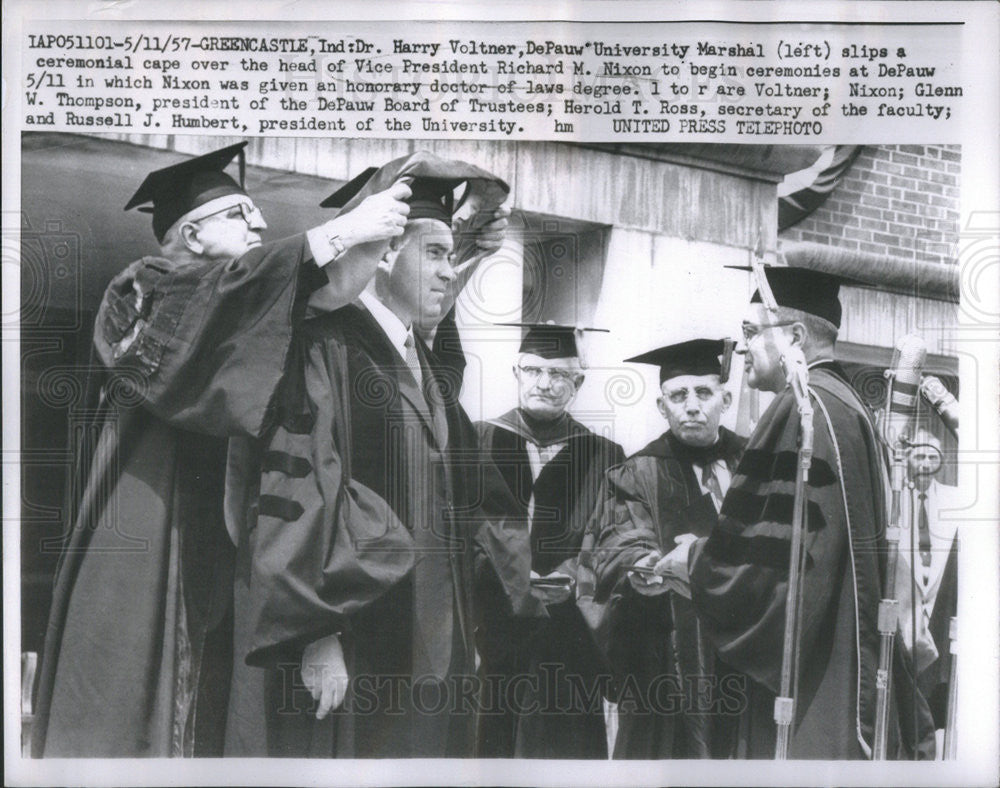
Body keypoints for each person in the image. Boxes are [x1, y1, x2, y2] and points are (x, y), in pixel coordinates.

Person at [32, 142, 413, 757]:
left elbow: (315, 295)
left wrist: (377, 226)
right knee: (128, 714)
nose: (261, 223)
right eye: (241, 213)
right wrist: (336, 232)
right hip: (149, 539)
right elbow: (222, 305)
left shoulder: (246, 306)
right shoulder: (140, 294)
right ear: (193, 233)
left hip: (222, 557)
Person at [223, 152, 510, 758]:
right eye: (434, 253)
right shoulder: (325, 346)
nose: (448, 273)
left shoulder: (419, 359)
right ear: (384, 254)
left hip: (434, 639)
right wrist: (317, 632)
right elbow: (296, 493)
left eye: (451, 256)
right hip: (359, 632)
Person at [655, 266, 935, 759]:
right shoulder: (845, 404)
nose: (741, 349)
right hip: (841, 650)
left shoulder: (803, 410)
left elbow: (774, 563)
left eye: (750, 333)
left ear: (795, 338)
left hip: (809, 679)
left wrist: (695, 562)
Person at [473, 323, 625, 758]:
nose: (545, 383)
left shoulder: (605, 454)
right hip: (494, 626)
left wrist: (575, 574)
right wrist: (510, 573)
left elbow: (614, 537)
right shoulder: (478, 440)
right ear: (516, 373)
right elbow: (458, 532)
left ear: (578, 382)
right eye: (534, 370)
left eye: (559, 374)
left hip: (568, 637)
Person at [592, 338, 747, 758]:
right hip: (665, 656)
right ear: (663, 407)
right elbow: (619, 539)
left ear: (725, 399)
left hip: (746, 649)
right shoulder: (638, 471)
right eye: (678, 395)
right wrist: (642, 563)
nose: (691, 405)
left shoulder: (754, 463)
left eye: (704, 392)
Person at [894, 428, 958, 746]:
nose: (926, 463)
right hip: (905, 614)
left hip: (939, 610)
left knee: (934, 698)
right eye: (920, 455)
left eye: (933, 457)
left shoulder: (955, 499)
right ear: (907, 459)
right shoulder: (893, 499)